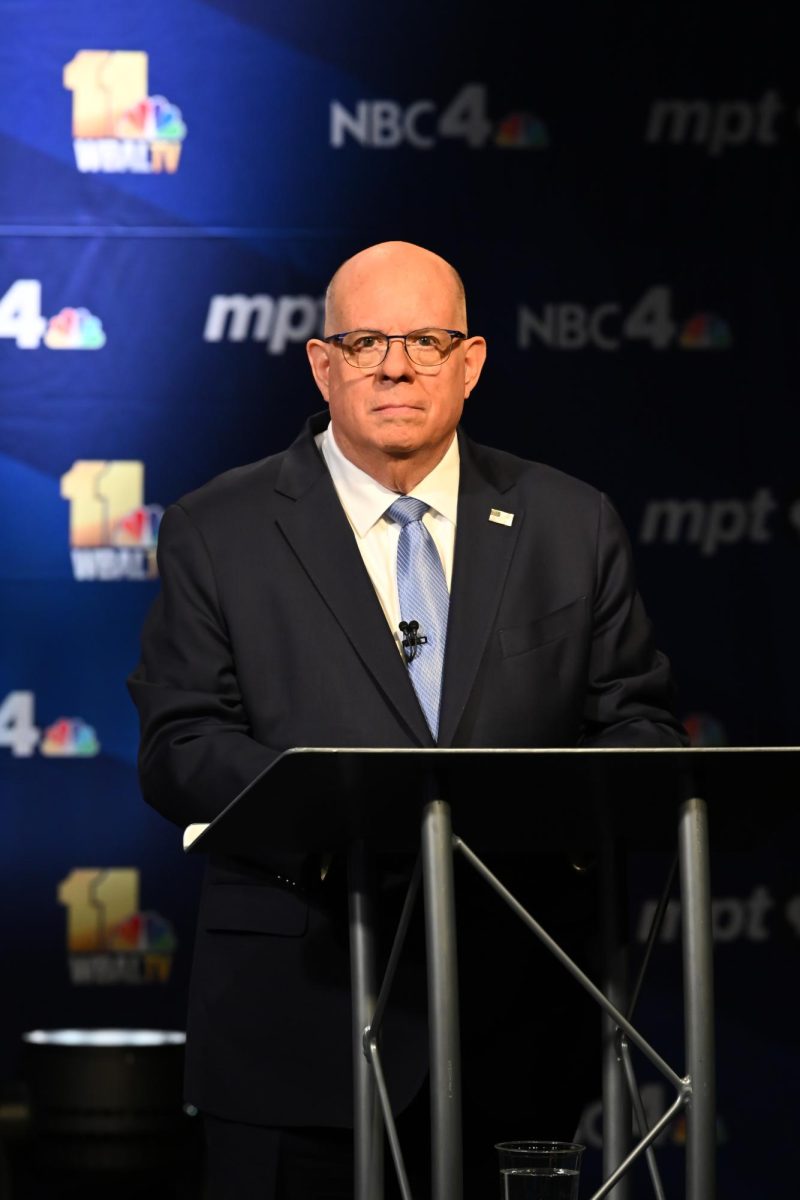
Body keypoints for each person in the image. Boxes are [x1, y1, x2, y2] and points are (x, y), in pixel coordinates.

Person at [127, 240, 688, 1198]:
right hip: (298, 1025)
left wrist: (537, 810)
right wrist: (336, 811)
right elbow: (181, 743)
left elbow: (637, 729)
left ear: (469, 364)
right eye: (367, 342)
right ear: (323, 363)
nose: (396, 365)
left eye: (426, 342)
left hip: (516, 1028)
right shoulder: (217, 527)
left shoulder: (569, 521)